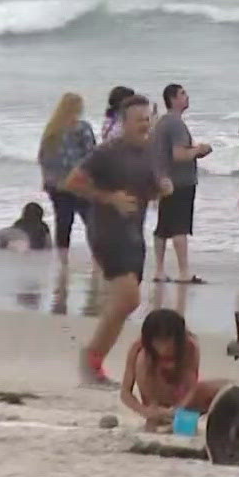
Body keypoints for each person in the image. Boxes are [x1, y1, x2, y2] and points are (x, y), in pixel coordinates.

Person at [65, 94, 172, 386]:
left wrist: (162, 188)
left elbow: (149, 190)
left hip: (134, 232)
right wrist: (109, 198)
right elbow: (73, 181)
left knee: (126, 302)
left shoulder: (150, 152)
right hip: (106, 230)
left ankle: (94, 360)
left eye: (147, 119)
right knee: (128, 298)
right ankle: (91, 361)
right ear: (123, 124)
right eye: (138, 120)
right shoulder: (107, 153)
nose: (145, 125)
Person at [119, 307, 228, 431]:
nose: (164, 347)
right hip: (154, 400)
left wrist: (178, 409)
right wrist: (145, 411)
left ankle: (178, 418)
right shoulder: (139, 348)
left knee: (227, 388)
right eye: (159, 341)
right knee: (143, 359)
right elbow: (125, 393)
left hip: (182, 398)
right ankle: (156, 417)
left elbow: (192, 386)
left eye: (169, 340)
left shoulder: (189, 347)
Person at [150, 83, 212, 284]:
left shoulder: (162, 123)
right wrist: (200, 149)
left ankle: (159, 270)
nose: (187, 97)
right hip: (180, 182)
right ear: (173, 99)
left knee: (162, 228)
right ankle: (184, 272)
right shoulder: (176, 124)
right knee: (179, 228)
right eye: (183, 94)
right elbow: (179, 154)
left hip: (164, 180)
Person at [38, 91, 98, 262]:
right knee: (91, 220)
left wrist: (48, 180)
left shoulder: (51, 130)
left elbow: (43, 157)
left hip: (56, 184)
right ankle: (97, 259)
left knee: (63, 221)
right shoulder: (82, 128)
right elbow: (91, 155)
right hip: (79, 182)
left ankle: (62, 261)